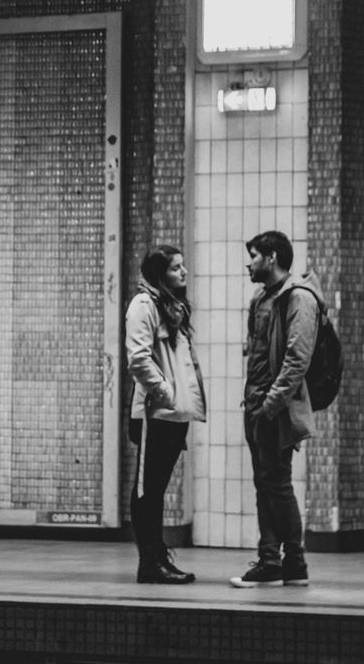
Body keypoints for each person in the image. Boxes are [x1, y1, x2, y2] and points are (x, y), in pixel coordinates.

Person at [230, 230, 321, 588]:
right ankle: (271, 561)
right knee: (265, 484)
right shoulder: (260, 298)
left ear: (271, 258)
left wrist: (270, 404)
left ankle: (293, 562)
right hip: (255, 405)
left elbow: (297, 358)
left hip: (274, 408)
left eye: (253, 255)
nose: (248, 262)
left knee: (277, 484)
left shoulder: (298, 298)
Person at [125, 245, 207, 585]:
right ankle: (150, 562)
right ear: (160, 273)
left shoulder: (173, 307)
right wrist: (165, 393)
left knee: (157, 489)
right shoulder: (143, 305)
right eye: (176, 268)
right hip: (154, 414)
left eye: (183, 266)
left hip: (173, 416)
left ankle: (158, 557)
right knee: (147, 490)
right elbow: (138, 359)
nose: (183, 273)